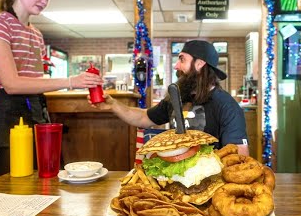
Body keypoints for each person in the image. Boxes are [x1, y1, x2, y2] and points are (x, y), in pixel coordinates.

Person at [0, 0, 103, 176]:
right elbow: (11, 84)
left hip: (35, 107)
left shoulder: (36, 34)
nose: (44, 1)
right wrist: (71, 81)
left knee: (43, 175)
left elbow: (35, 81)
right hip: (5, 109)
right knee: (14, 178)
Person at [90, 40, 249, 155]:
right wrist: (113, 105)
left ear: (199, 64)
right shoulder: (177, 98)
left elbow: (239, 155)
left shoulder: (227, 105)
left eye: (182, 59)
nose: (176, 66)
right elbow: (144, 117)